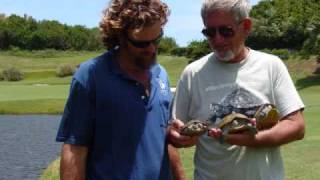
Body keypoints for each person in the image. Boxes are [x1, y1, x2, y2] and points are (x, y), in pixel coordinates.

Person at [169, 0, 305, 179]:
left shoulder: (271, 66)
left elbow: (296, 126)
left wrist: (254, 140)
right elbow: (174, 131)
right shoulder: (193, 73)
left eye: (226, 31)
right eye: (209, 32)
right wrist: (179, 137)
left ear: (246, 26)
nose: (217, 40)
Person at [56, 0, 185, 179]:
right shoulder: (90, 76)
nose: (152, 49)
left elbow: (164, 141)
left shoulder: (160, 74)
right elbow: (75, 149)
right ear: (120, 37)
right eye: (142, 44)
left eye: (157, 39)